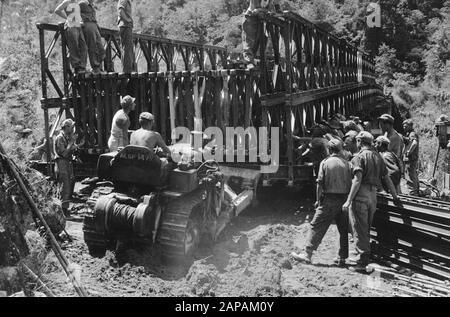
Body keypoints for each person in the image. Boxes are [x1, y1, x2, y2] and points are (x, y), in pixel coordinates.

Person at [342, 131, 400, 272]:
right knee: (366, 227)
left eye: (357, 141)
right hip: (372, 196)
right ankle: (360, 255)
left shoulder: (359, 157)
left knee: (359, 228)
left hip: (360, 195)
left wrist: (348, 200)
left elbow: (357, 179)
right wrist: (395, 196)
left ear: (360, 142)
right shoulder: (378, 157)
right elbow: (386, 178)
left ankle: (362, 262)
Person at [291, 139, 352, 267]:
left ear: (329, 150)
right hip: (344, 199)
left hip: (329, 199)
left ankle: (307, 254)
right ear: (340, 149)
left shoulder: (325, 162)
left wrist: (318, 200)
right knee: (343, 229)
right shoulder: (347, 164)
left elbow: (319, 184)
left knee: (316, 225)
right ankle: (342, 258)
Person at [242, 0, 281, 70]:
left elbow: (270, 9)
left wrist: (276, 9)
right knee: (249, 41)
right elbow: (255, 10)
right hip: (250, 17)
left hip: (260, 18)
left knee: (259, 40)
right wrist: (264, 10)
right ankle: (249, 62)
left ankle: (255, 61)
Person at [55, 0, 87, 73]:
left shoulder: (76, 2)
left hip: (78, 26)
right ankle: (77, 67)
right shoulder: (67, 1)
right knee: (74, 46)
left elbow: (77, 15)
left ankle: (82, 67)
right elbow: (57, 10)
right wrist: (67, 18)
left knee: (84, 46)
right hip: (71, 26)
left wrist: (80, 21)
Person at [54, 119, 79, 216]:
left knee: (67, 186)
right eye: (71, 126)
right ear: (66, 127)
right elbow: (64, 153)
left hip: (66, 163)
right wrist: (71, 143)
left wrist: (76, 145)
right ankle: (63, 211)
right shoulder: (60, 138)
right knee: (64, 187)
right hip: (62, 163)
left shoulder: (65, 137)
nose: (73, 129)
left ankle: (64, 209)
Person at [79, 0, 105, 74]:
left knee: (101, 49)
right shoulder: (82, 3)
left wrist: (97, 25)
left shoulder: (92, 5)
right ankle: (95, 68)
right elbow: (74, 13)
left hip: (94, 26)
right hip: (87, 26)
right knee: (92, 47)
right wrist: (80, 21)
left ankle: (98, 67)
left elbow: (93, 16)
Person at [117, 0, 135, 73]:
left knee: (128, 48)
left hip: (127, 26)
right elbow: (120, 11)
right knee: (126, 48)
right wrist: (128, 20)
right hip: (124, 26)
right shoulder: (123, 0)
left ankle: (127, 69)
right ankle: (126, 70)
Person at [403, 119, 420, 196]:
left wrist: (409, 152)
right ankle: (416, 191)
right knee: (413, 174)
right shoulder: (409, 134)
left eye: (405, 126)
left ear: (410, 126)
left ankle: (412, 193)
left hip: (410, 158)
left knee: (410, 175)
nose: (404, 127)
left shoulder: (412, 134)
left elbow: (414, 143)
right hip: (412, 158)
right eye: (403, 125)